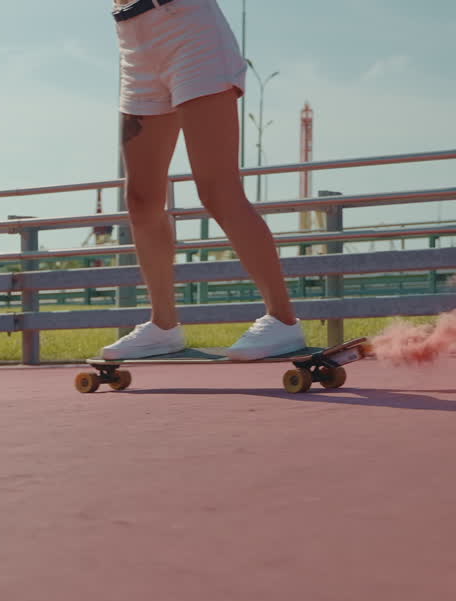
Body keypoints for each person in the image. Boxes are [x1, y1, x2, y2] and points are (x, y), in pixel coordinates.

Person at [100, 0, 304, 361]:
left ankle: (282, 319)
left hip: (188, 27)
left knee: (216, 187)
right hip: (132, 37)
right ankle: (163, 326)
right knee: (141, 200)